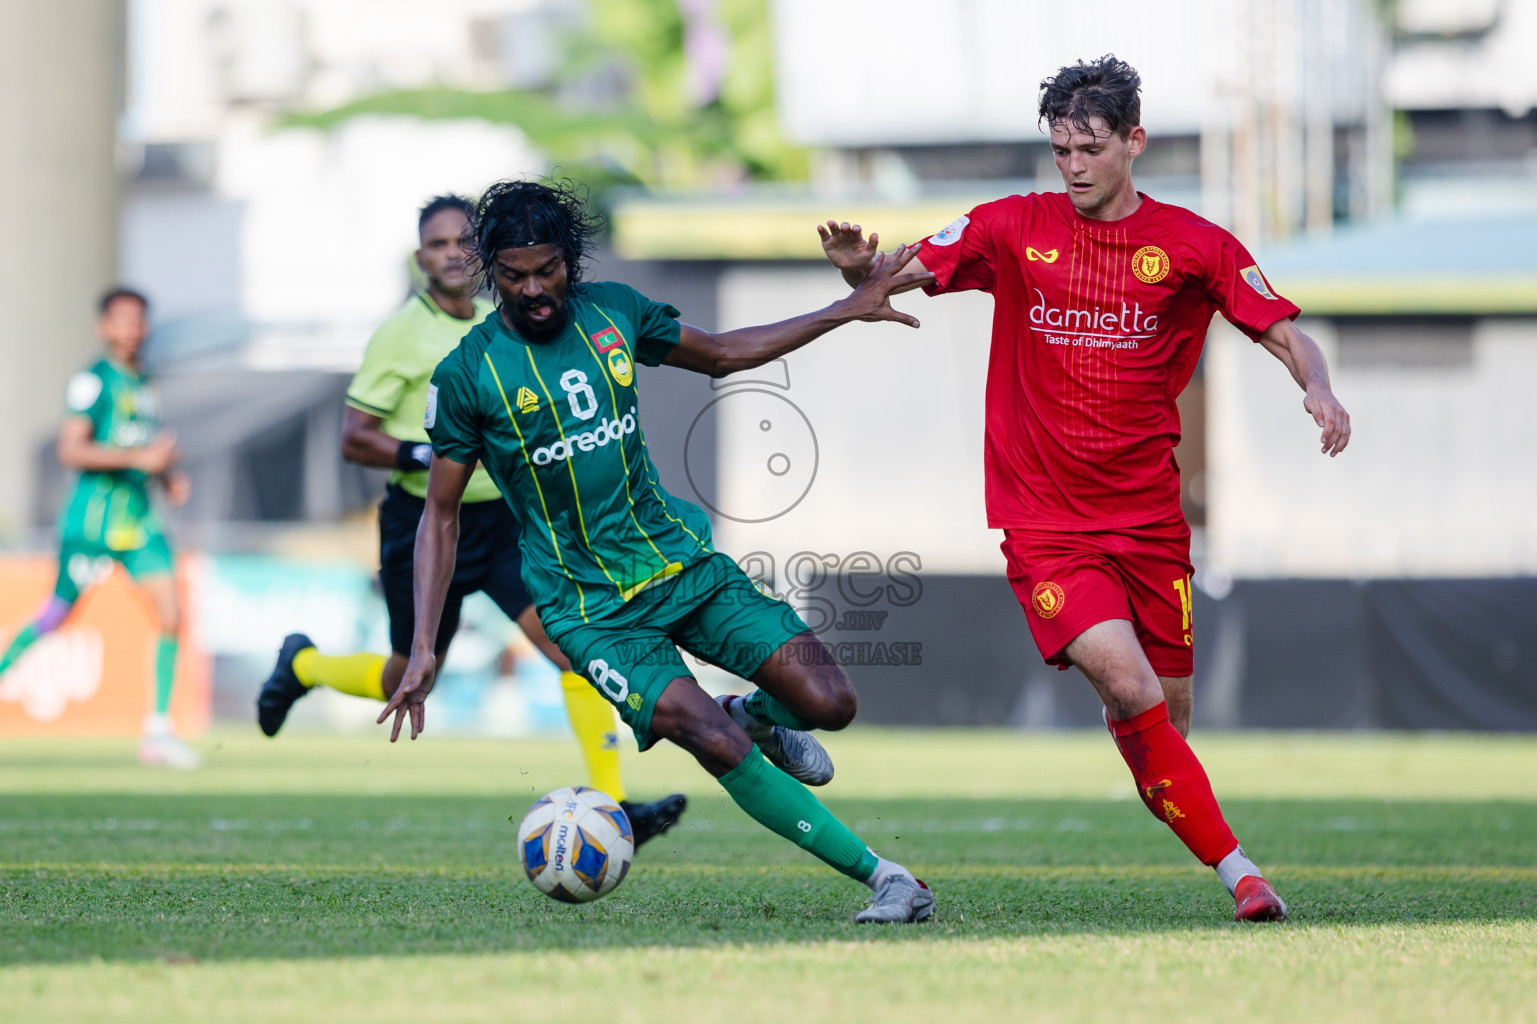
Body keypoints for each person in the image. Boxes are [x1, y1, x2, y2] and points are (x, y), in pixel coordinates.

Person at [818, 56, 1353, 923]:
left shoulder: (1194, 244)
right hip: (1044, 523)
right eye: (1060, 149)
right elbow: (899, 271)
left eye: (1090, 148)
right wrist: (857, 271)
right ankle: (1243, 876)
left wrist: (1318, 389)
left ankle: (1139, 737)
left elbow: (1283, 329)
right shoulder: (1008, 226)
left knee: (1164, 715)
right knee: (1132, 689)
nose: (1072, 166)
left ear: (1133, 141)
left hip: (1148, 520)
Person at [380, 179, 935, 923]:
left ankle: (756, 714)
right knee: (709, 737)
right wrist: (423, 644)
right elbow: (439, 514)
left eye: (546, 270)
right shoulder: (468, 375)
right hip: (592, 613)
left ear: (570, 261)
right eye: (513, 276)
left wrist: (846, 308)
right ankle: (889, 880)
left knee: (830, 704)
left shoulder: (614, 312)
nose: (533, 290)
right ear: (491, 271)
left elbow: (725, 353)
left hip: (685, 567)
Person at [254, 195, 686, 845]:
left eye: (463, 241)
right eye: (437, 244)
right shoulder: (401, 334)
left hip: (505, 523)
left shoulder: (502, 320)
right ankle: (304, 666)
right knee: (407, 674)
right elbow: (354, 437)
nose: (452, 253)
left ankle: (614, 805)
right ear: (419, 258)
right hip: (426, 522)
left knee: (575, 653)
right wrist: (425, 453)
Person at [0, 288, 200, 768]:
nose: (132, 330)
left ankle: (158, 731)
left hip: (139, 523)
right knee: (55, 616)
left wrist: (166, 475)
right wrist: (138, 458)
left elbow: (147, 449)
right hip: (92, 524)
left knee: (171, 613)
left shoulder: (146, 384)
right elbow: (71, 449)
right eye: (123, 320)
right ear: (104, 327)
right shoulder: (92, 381)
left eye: (139, 320)